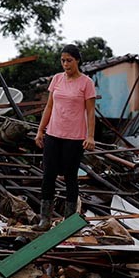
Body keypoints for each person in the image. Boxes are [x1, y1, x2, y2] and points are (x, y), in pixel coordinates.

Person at [34, 44, 96, 230]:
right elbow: (49, 107)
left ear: (77, 60)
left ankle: (68, 222)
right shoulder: (57, 79)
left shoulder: (86, 83)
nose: (65, 64)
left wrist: (90, 136)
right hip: (53, 134)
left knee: (70, 177)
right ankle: (44, 219)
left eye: (69, 60)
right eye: (63, 60)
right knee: (48, 176)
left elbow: (91, 112)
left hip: (74, 137)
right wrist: (40, 130)